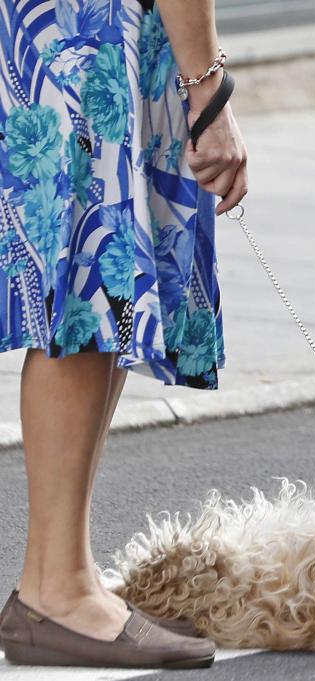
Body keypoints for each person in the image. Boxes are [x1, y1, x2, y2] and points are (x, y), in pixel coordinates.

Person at [0, 0, 246, 668]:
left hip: (68, 31)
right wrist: (209, 86)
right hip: (84, 36)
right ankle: (56, 589)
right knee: (90, 280)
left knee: (101, 287)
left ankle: (63, 572)